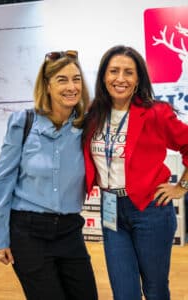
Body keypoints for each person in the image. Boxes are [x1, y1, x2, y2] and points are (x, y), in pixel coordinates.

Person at [0, 50, 98, 300]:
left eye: (77, 79)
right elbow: (3, 181)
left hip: (70, 230)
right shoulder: (23, 122)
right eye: (62, 79)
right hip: (27, 233)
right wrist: (0, 238)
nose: (72, 87)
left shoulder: (87, 125)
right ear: (47, 85)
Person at [83, 45, 188, 300]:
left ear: (138, 78)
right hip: (110, 209)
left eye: (128, 72)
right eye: (114, 71)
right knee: (123, 292)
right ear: (103, 76)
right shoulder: (94, 113)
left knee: (154, 289)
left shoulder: (156, 113)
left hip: (150, 211)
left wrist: (181, 187)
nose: (120, 78)